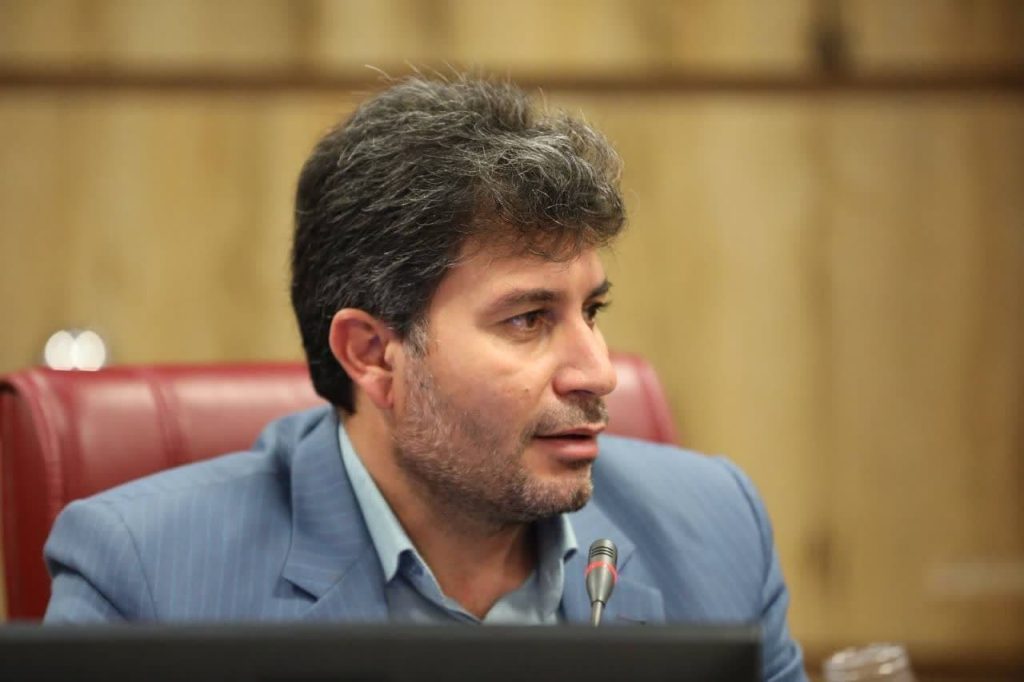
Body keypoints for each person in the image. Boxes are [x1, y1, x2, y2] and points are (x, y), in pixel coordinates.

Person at [44, 74, 807, 681]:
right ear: (373, 354)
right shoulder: (145, 577)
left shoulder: (716, 529)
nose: (598, 371)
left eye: (592, 310)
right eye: (528, 319)